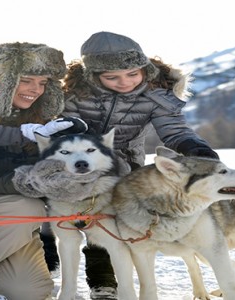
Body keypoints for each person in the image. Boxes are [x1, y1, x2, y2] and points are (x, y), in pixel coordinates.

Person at [61, 31, 219, 299]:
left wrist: (197, 151)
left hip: (128, 162)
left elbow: (175, 130)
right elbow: (64, 130)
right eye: (112, 77)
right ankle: (103, 280)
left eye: (133, 74)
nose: (125, 82)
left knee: (123, 221)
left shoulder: (155, 93)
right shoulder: (74, 95)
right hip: (84, 163)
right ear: (93, 75)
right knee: (95, 219)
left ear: (144, 68)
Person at [0, 27, 78, 300]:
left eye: (43, 83)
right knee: (26, 204)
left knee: (29, 292)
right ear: (2, 80)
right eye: (26, 80)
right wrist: (24, 182)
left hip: (6, 223)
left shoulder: (47, 121)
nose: (36, 90)